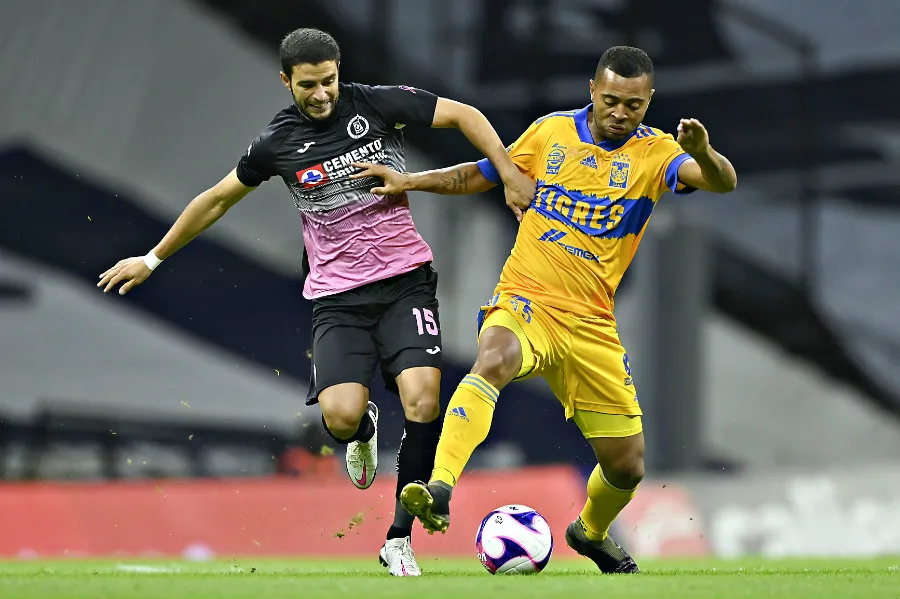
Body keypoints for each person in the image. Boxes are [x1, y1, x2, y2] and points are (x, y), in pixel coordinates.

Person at [96, 27, 534, 576]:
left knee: (423, 399)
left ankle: (399, 538)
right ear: (287, 82)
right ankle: (363, 431)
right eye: (309, 85)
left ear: (338, 70)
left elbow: (465, 114)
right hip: (338, 299)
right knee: (341, 415)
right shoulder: (276, 143)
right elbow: (215, 201)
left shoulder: (375, 102)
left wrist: (510, 170)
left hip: (406, 282)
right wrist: (153, 259)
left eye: (328, 80)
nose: (322, 93)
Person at [352, 45, 737, 574]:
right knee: (494, 358)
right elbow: (482, 174)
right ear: (592, 91)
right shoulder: (551, 132)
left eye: (634, 105)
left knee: (626, 466)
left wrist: (707, 152)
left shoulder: (658, 153)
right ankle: (438, 487)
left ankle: (591, 532)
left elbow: (722, 181)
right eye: (611, 100)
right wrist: (411, 181)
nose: (621, 113)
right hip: (526, 298)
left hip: (592, 325)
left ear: (648, 103)